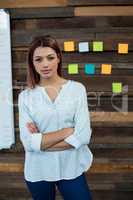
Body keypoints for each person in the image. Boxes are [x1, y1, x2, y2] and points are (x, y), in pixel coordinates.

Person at [18, 35, 93, 200]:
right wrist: (67, 131)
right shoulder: (26, 96)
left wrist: (41, 142)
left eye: (50, 58)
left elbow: (83, 135)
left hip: (71, 167)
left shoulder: (77, 90)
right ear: (32, 63)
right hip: (39, 170)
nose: (45, 64)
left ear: (58, 58)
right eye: (38, 59)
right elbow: (28, 142)